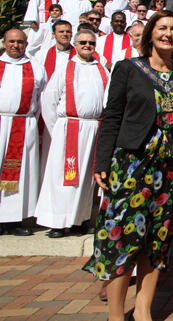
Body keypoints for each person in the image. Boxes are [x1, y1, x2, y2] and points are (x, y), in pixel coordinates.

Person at [84, 11, 173, 321]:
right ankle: (117, 315)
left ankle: (143, 309)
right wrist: (102, 161)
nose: (168, 34)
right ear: (150, 34)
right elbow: (112, 116)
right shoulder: (128, 69)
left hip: (168, 170)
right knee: (122, 238)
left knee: (157, 240)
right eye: (162, 28)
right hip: (131, 166)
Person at [36, 29, 109, 237]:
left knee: (86, 178)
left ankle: (80, 219)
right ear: (75, 45)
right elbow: (48, 100)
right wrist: (59, 129)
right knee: (64, 177)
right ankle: (58, 222)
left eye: (91, 43)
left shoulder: (102, 69)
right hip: (69, 128)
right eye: (83, 42)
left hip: (94, 128)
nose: (87, 46)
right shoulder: (65, 68)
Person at [0, 29, 47, 236]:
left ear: (26, 44)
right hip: (1, 123)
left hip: (23, 123)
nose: (15, 45)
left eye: (20, 42)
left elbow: (42, 99)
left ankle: (14, 219)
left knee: (21, 174)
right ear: (4, 42)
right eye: (11, 41)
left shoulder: (35, 67)